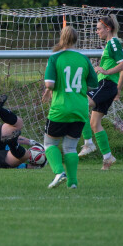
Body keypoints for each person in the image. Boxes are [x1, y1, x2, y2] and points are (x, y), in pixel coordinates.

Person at [42, 26, 98, 189]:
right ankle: (72, 182)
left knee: (50, 144)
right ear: (76, 39)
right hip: (80, 109)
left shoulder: (55, 57)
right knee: (70, 147)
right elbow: (93, 84)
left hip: (60, 108)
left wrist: (49, 89)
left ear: (62, 38)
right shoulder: (84, 59)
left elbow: (49, 83)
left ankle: (59, 172)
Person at [78, 15, 123, 170]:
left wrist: (105, 72)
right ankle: (108, 158)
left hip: (105, 85)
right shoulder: (109, 44)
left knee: (80, 105)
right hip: (108, 86)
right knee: (94, 123)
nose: (97, 31)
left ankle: (88, 143)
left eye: (99, 28)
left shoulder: (113, 42)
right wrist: (118, 89)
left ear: (108, 28)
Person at [0, 94, 46, 170]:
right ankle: (13, 143)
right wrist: (36, 166)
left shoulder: (10, 139)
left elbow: (17, 137)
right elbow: (24, 164)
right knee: (24, 156)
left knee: (19, 124)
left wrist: (32, 142)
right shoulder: (19, 158)